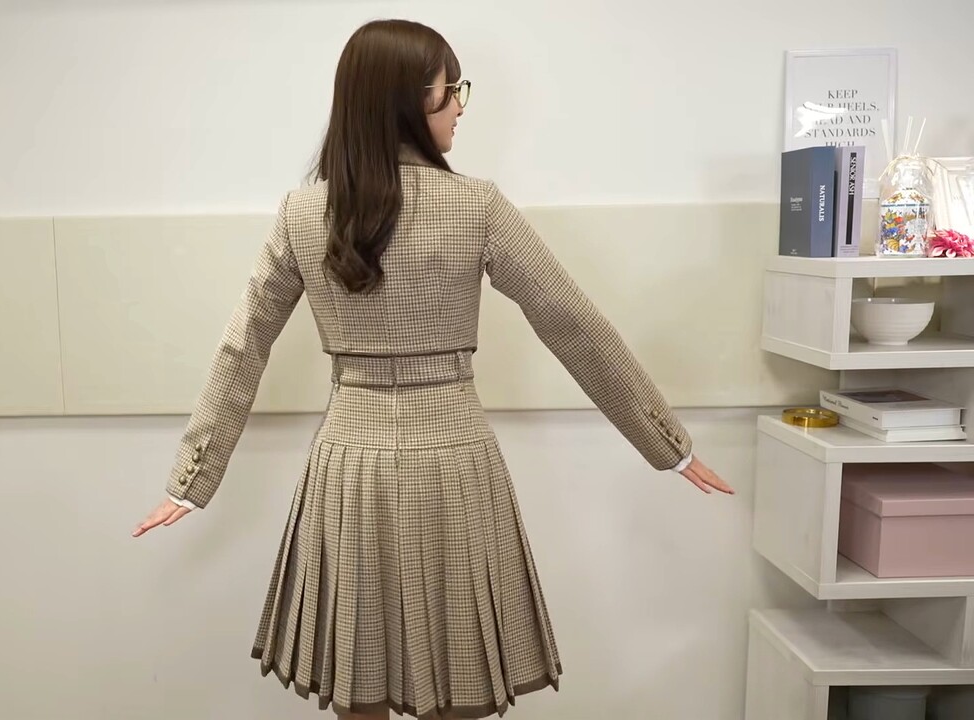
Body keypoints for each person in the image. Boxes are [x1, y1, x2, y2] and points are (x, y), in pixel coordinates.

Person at [133, 18, 733, 720]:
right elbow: (571, 320)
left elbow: (244, 346)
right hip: (455, 463)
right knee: (461, 681)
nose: (460, 108)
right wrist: (666, 441)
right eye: (453, 90)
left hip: (348, 468)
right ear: (413, 99)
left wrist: (191, 479)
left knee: (359, 683)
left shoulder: (303, 212)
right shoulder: (477, 206)